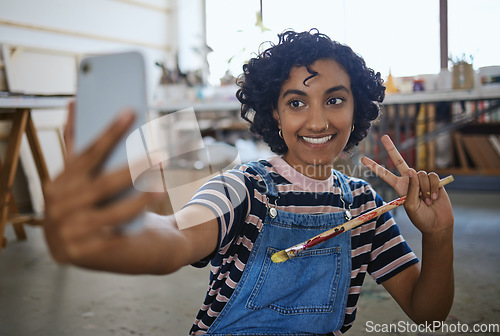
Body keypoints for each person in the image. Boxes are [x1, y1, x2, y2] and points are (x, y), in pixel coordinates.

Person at [43, 29, 454, 335]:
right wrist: (113, 235)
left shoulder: (367, 207)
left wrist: (439, 236)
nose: (317, 121)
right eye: (296, 102)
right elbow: (174, 237)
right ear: (274, 113)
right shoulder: (242, 189)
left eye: (334, 99)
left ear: (356, 108)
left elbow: (427, 313)